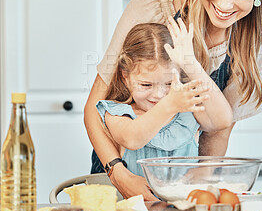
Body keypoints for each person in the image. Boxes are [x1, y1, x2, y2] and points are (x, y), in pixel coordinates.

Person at [84, 0, 262, 200]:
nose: (225, 4)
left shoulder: (252, 39)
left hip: (178, 188)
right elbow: (93, 109)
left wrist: (197, 189)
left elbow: (219, 127)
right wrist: (119, 174)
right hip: (120, 177)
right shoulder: (153, 8)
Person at [94, 22, 231, 186]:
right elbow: (132, 139)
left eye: (168, 84)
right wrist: (169, 106)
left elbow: (223, 120)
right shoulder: (118, 113)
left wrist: (190, 64)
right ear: (126, 77)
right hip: (135, 210)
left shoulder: (186, 111)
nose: (159, 95)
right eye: (146, 85)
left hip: (184, 208)